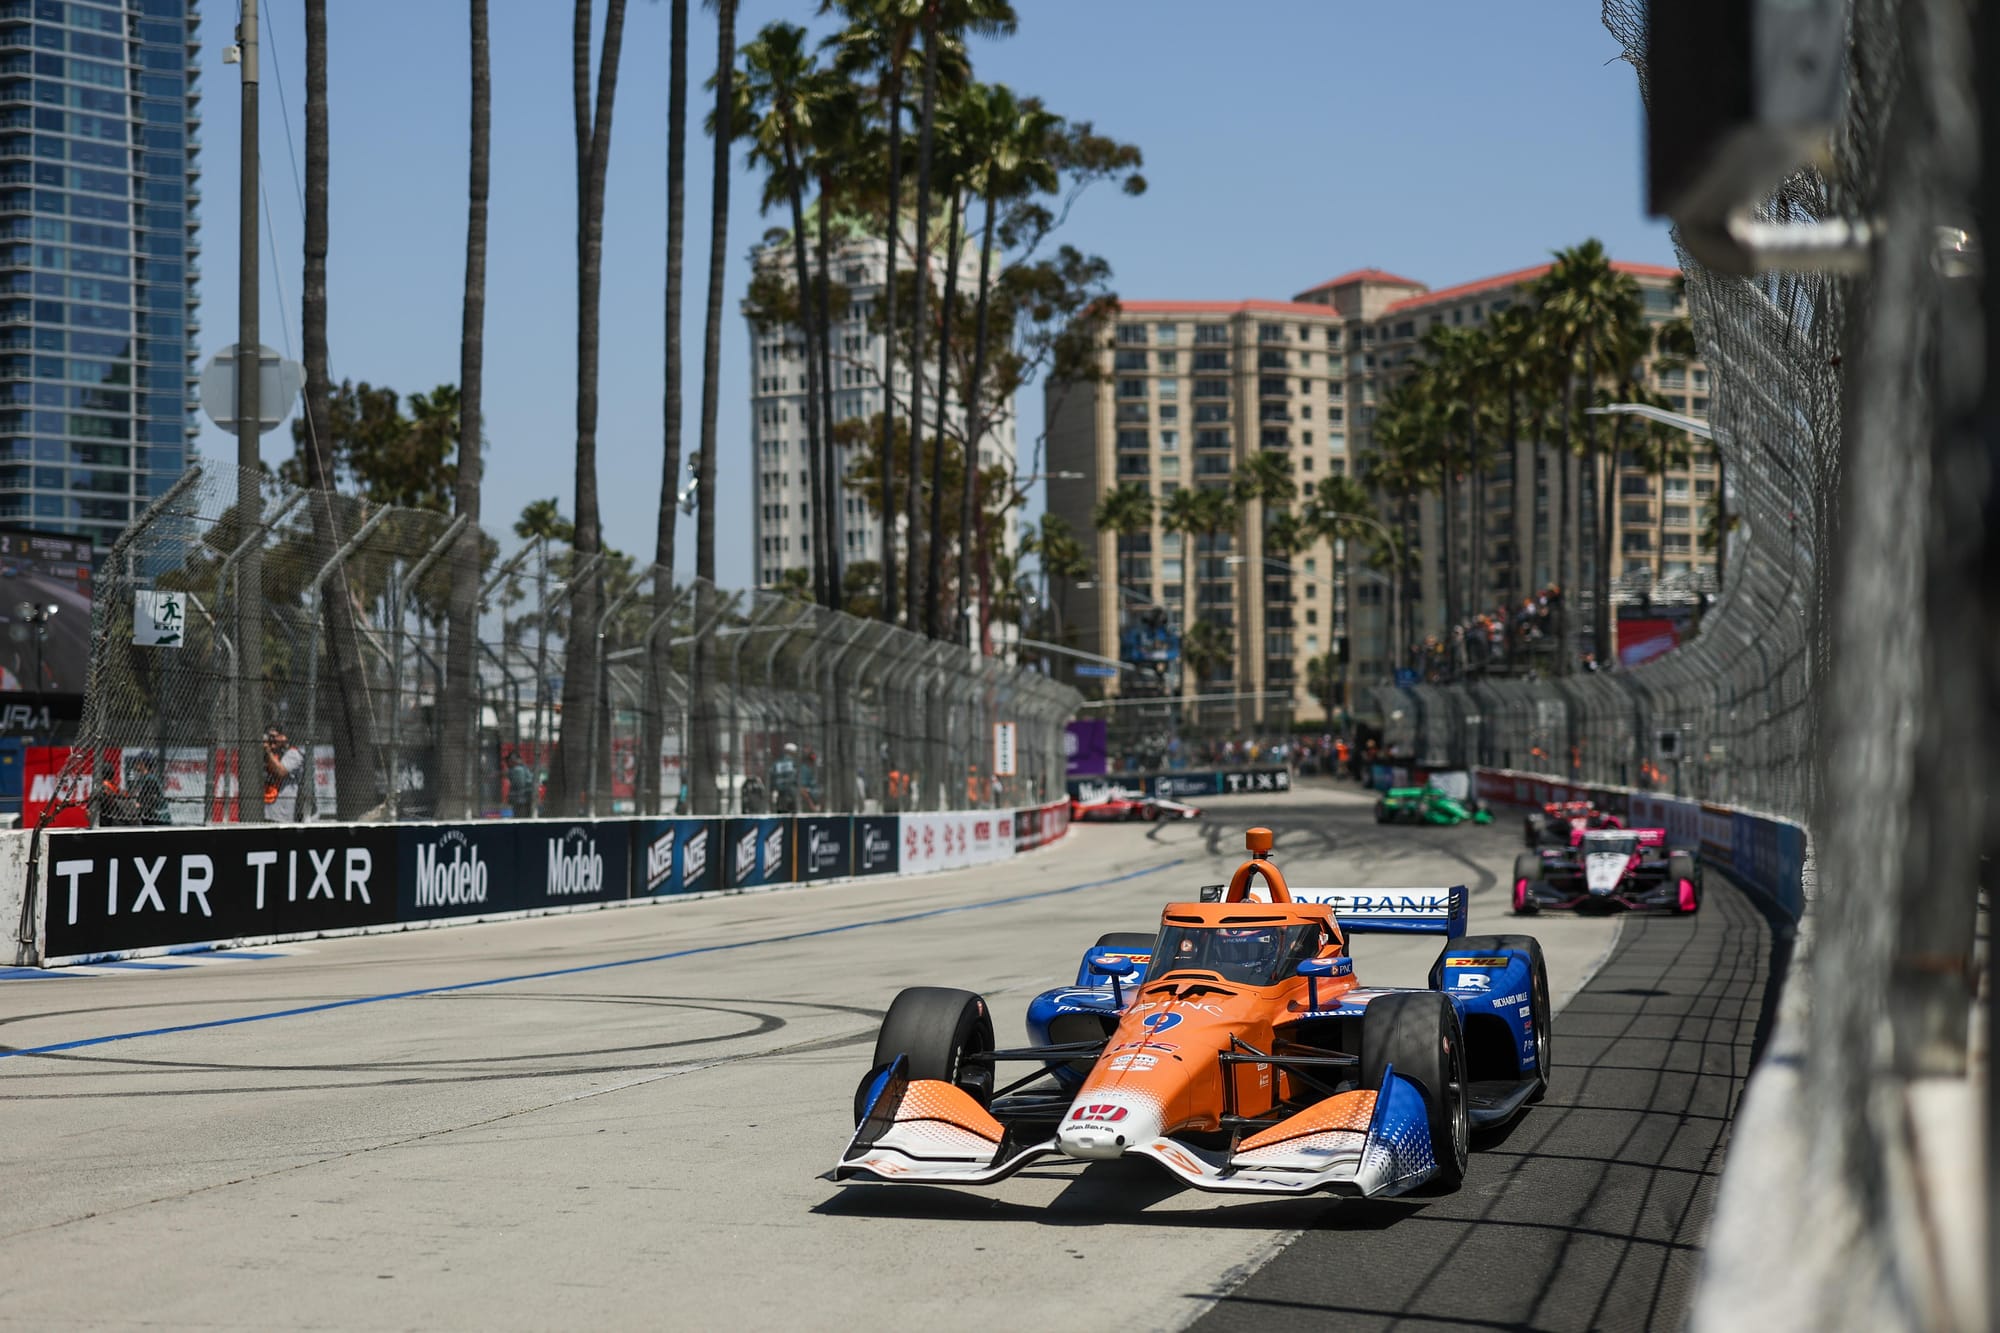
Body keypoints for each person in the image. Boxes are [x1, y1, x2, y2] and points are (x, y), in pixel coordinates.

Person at [262, 724, 303, 822]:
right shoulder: (269, 754)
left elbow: (281, 771)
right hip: (267, 810)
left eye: (274, 737)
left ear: (283, 737)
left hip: (284, 814)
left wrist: (268, 751)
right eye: (269, 737)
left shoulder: (293, 754)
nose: (271, 740)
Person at [127, 752, 168, 825]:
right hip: (152, 817)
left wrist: (134, 805)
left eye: (137, 762)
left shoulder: (150, 779)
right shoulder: (144, 778)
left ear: (142, 764)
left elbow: (146, 802)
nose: (135, 764)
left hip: (158, 819)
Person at [506, 752, 536, 819]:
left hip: (522, 798)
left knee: (521, 816)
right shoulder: (521, 768)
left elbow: (520, 785)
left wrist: (511, 795)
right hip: (525, 797)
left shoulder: (518, 769)